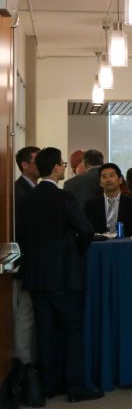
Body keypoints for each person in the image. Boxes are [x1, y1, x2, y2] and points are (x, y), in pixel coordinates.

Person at [16, 147, 103, 403]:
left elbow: (22, 236)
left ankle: (49, 384)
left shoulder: (27, 199)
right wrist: (77, 250)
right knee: (73, 331)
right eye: (62, 164)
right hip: (64, 276)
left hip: (37, 277)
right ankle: (76, 386)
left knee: (45, 332)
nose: (64, 167)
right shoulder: (64, 197)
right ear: (55, 167)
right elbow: (85, 230)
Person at [13, 146, 40, 366]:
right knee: (24, 314)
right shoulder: (18, 192)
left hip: (33, 263)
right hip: (24, 263)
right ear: (24, 165)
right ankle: (24, 364)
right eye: (37, 160)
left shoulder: (33, 189)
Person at [84, 163, 132, 237]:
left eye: (111, 176)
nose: (108, 180)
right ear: (100, 183)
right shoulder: (90, 206)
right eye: (104, 177)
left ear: (120, 180)